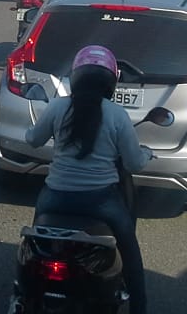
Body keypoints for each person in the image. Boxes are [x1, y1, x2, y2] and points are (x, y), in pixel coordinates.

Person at [24, 46, 153, 314]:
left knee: (35, 242)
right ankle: (139, 307)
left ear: (76, 76)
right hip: (101, 200)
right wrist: (147, 154)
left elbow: (34, 140)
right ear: (110, 82)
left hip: (55, 196)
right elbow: (132, 163)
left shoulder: (58, 107)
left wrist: (30, 129)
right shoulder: (117, 115)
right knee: (129, 248)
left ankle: (24, 294)